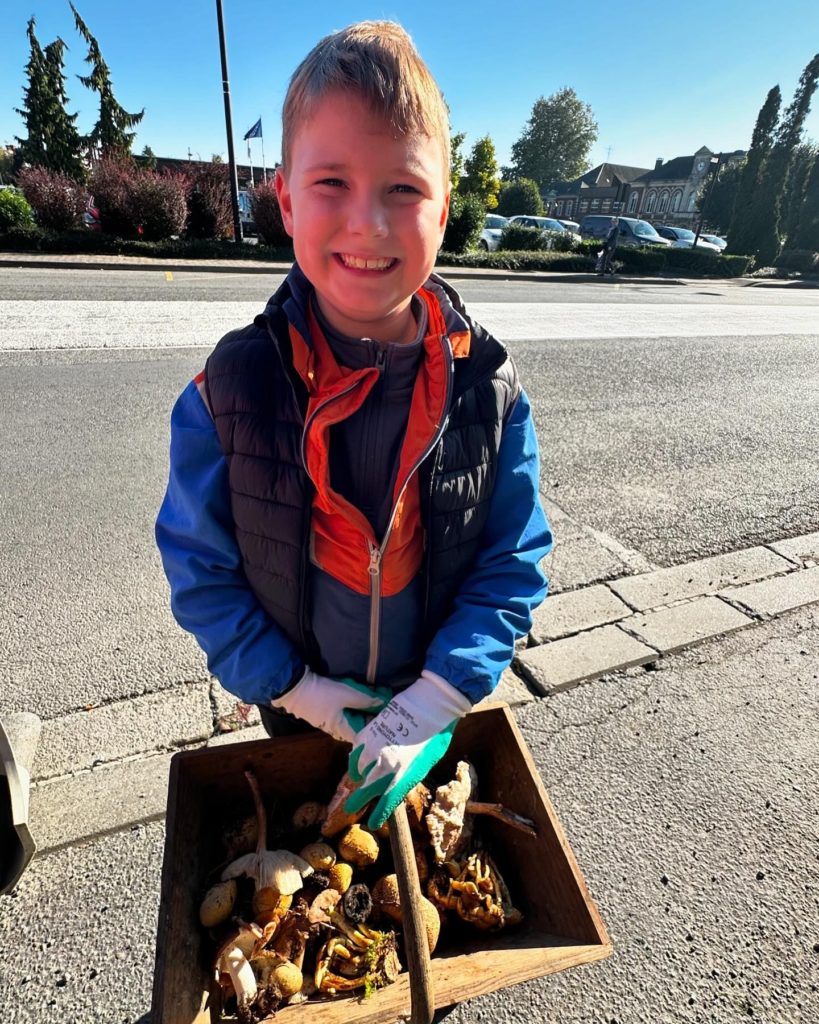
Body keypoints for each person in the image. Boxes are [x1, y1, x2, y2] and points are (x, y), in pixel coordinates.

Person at [155, 21, 552, 830]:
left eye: (403, 189)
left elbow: (512, 560)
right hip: (297, 697)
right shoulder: (227, 389)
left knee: (408, 851)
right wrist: (292, 688)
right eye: (332, 182)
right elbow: (200, 565)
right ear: (288, 201)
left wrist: (434, 700)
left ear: (445, 210)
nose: (368, 221)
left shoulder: (488, 387)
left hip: (432, 696)